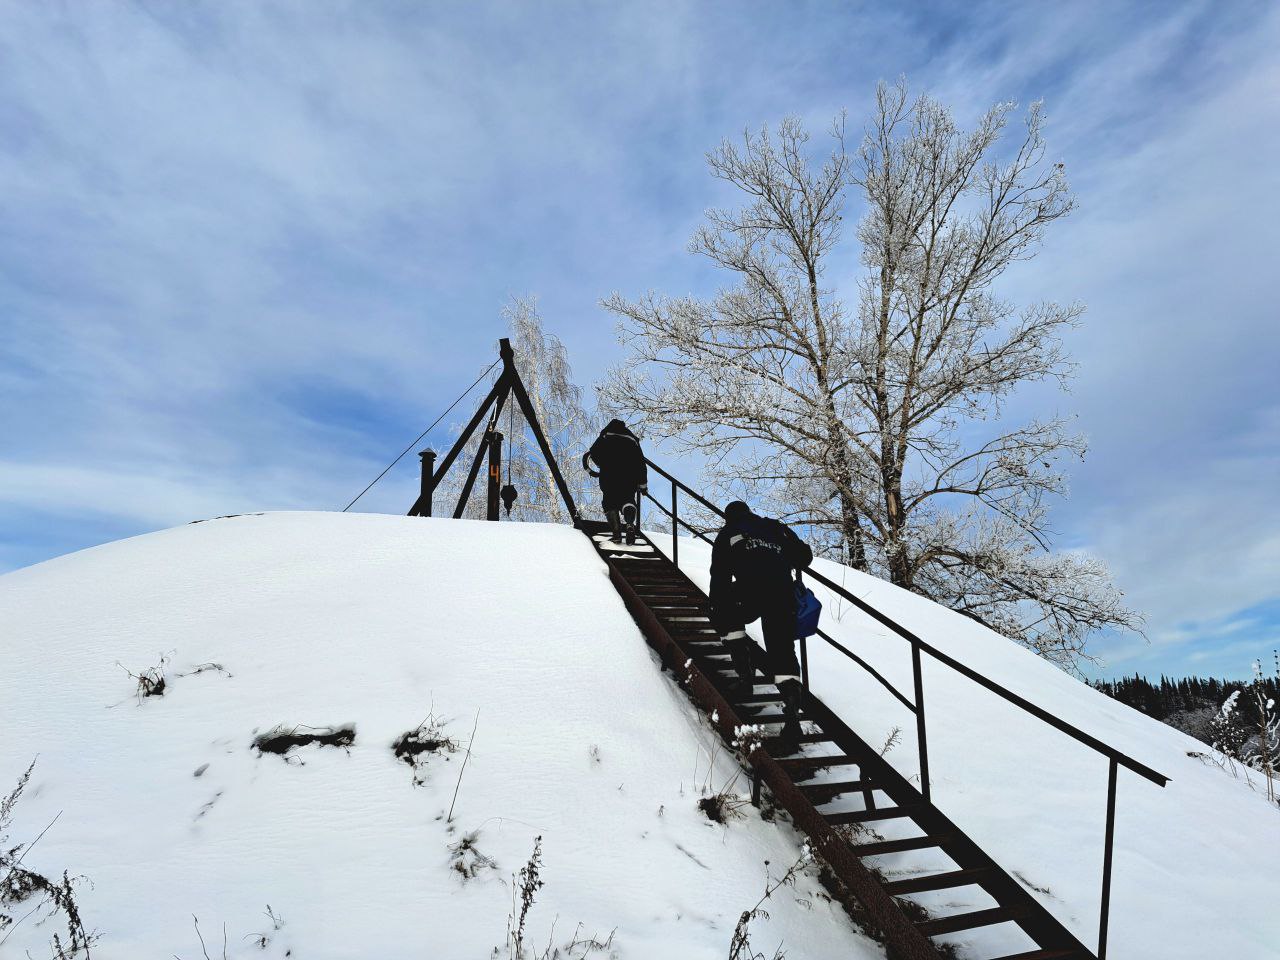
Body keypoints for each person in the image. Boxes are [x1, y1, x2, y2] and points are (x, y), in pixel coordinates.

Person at [709, 501, 813, 750]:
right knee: (782, 651)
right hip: (783, 594)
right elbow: (804, 557)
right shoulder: (775, 527)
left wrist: (717, 607)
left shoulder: (728, 533)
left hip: (749, 591)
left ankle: (745, 677)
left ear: (728, 517)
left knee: (726, 615)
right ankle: (791, 715)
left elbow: (720, 576)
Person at [582, 419, 648, 543]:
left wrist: (600, 465)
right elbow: (641, 463)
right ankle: (629, 524)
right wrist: (643, 486)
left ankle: (617, 534)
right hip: (630, 475)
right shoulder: (633, 439)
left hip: (609, 473)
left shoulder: (605, 435)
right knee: (628, 499)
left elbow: (593, 452)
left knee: (609, 500)